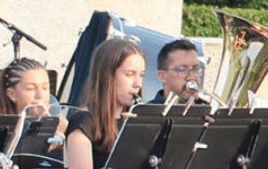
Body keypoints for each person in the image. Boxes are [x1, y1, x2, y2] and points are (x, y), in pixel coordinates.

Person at [64, 39, 144, 169]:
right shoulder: (83, 123)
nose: (138, 84)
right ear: (107, 76)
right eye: (129, 74)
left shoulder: (136, 121)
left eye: (141, 75)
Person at [148, 39, 209, 105]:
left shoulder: (208, 111)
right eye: (182, 69)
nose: (192, 77)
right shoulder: (145, 114)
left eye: (195, 68)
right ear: (162, 76)